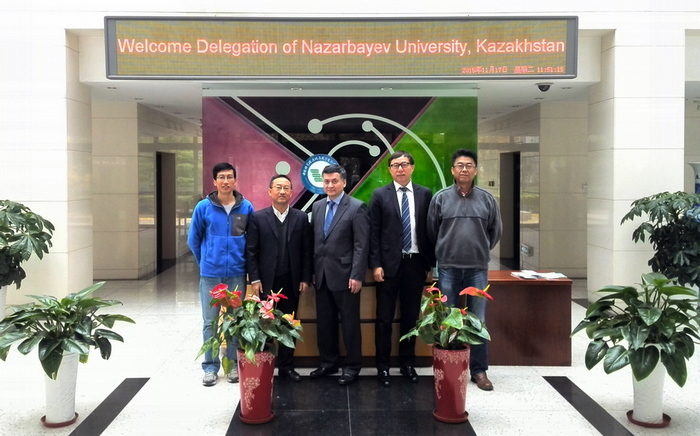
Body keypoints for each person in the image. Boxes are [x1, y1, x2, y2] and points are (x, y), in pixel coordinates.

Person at [427, 148, 502, 391]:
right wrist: (445, 252)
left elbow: (495, 231)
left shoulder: (487, 199)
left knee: (478, 320)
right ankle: (448, 368)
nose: (464, 169)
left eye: (469, 165)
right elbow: (432, 231)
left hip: (477, 269)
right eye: (459, 165)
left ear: (476, 170)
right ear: (452, 170)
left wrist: (479, 250)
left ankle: (479, 371)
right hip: (448, 268)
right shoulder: (440, 198)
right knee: (448, 319)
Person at [368, 151, 434, 387]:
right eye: (395, 165)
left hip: (415, 263)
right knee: (384, 319)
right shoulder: (379, 195)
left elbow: (430, 230)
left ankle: (407, 364)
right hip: (387, 266)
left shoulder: (425, 194)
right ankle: (383, 367)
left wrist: (429, 262)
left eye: (404, 164)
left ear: (412, 167)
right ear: (389, 170)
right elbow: (373, 233)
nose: (400, 169)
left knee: (411, 318)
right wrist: (375, 264)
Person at [188, 162, 254, 387]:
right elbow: (193, 239)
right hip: (211, 276)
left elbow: (251, 241)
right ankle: (210, 367)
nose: (226, 181)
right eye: (221, 177)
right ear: (214, 181)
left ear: (235, 180)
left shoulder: (246, 207)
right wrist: (205, 262)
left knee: (234, 320)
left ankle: (233, 365)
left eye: (229, 177)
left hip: (236, 273)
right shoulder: (203, 207)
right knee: (210, 322)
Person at [246, 174, 313, 382]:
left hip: (291, 281)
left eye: (286, 188)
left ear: (292, 192)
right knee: (265, 324)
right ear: (270, 191)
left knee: (288, 325)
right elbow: (251, 251)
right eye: (278, 187)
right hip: (266, 282)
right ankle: (265, 366)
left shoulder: (301, 217)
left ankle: (286, 367)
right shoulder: (257, 217)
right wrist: (254, 279)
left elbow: (306, 251)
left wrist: (305, 278)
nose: (282, 191)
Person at [310, 164, 369, 386]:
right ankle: (328, 363)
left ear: (344, 182)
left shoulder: (356, 207)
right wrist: (313, 271)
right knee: (325, 323)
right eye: (326, 181)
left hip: (346, 276)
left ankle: (352, 366)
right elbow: (316, 242)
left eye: (334, 181)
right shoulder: (317, 207)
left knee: (350, 324)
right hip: (322, 275)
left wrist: (357, 275)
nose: (330, 185)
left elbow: (361, 245)